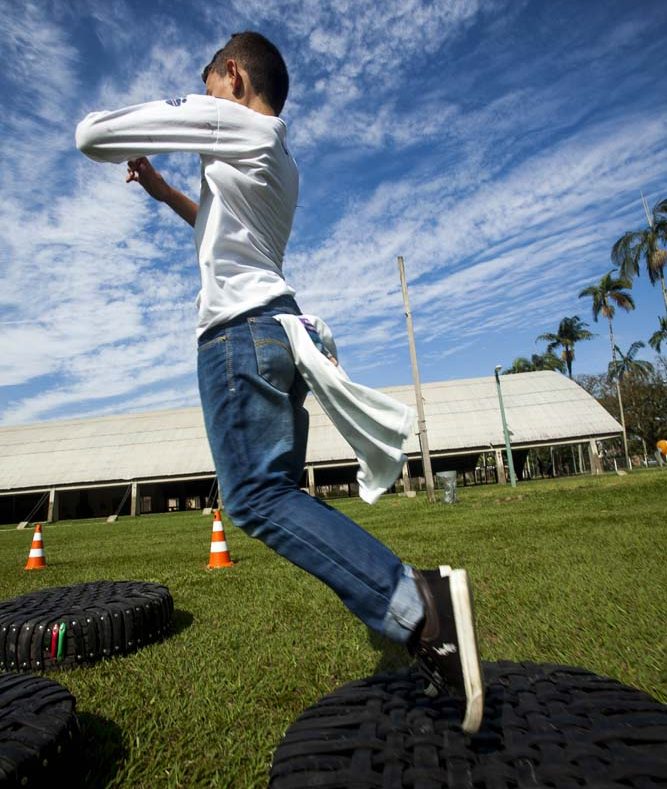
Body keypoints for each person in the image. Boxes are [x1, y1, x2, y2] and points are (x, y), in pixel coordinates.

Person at [75, 31, 484, 733]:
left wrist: (129, 134)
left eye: (207, 84)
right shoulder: (276, 158)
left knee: (255, 498)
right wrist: (163, 186)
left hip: (238, 335)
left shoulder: (233, 120)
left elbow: (92, 134)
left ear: (231, 75)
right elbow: (218, 228)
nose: (205, 97)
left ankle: (417, 605)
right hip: (276, 329)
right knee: (275, 494)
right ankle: (407, 614)